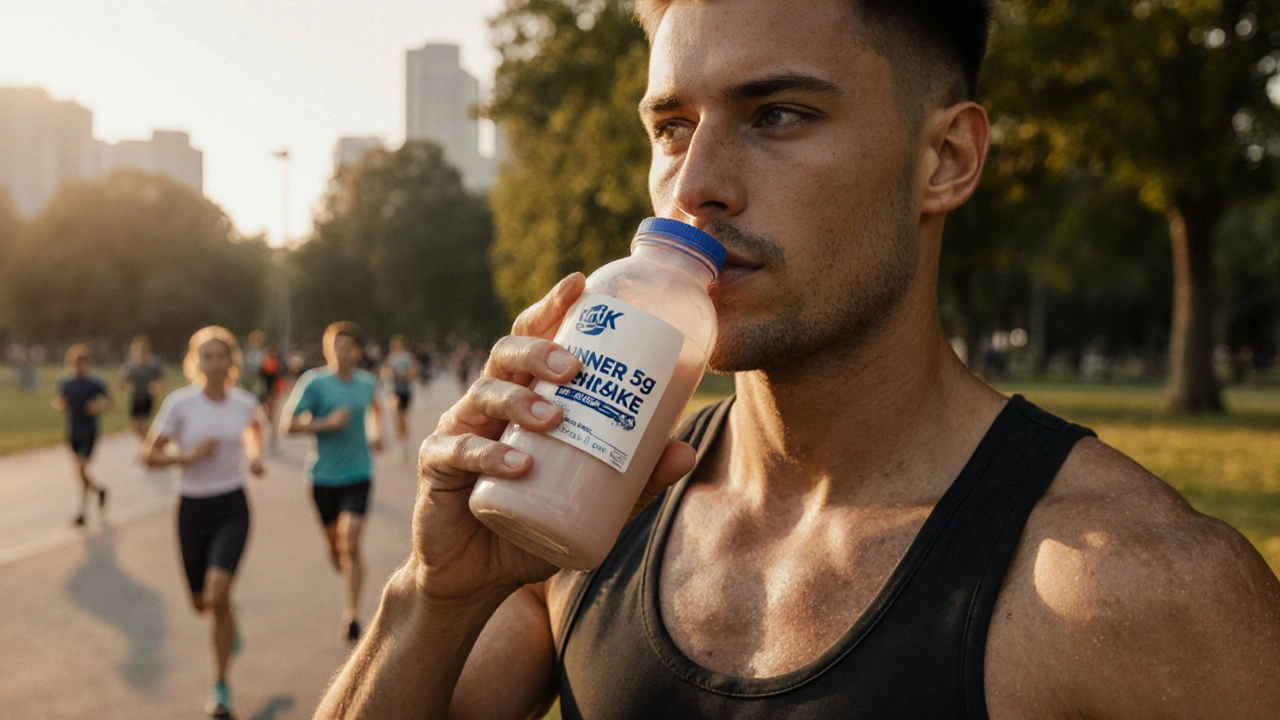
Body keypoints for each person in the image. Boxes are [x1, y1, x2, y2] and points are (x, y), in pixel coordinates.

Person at [316, 1, 1280, 718]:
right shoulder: (587, 516)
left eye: (777, 114)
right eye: (670, 128)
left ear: (945, 159)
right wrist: (435, 596)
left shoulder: (1141, 590)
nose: (693, 188)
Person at [143, 326, 265, 717]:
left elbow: (253, 431)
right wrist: (188, 457)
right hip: (192, 510)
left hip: (232, 506)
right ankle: (230, 621)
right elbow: (149, 457)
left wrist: (255, 455)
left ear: (231, 362)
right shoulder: (180, 405)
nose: (214, 363)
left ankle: (220, 685)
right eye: (206, 357)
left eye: (220, 356)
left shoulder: (244, 402)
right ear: (196, 363)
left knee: (217, 591)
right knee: (203, 604)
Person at [280, 321, 383, 643]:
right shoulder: (314, 384)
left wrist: (376, 433)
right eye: (335, 346)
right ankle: (334, 550)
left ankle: (352, 614)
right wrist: (327, 423)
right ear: (327, 350)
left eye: (347, 347)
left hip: (359, 475)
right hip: (323, 477)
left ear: (357, 351)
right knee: (337, 548)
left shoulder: (366, 383)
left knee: (350, 542)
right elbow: (287, 426)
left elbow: (376, 408)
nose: (341, 353)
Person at [53, 344, 112, 527]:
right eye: (74, 363)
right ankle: (99, 490)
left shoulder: (94, 383)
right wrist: (60, 405)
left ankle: (82, 513)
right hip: (73, 432)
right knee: (81, 472)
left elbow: (111, 400)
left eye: (81, 363)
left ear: (86, 364)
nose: (78, 367)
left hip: (89, 431)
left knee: (80, 468)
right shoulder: (66, 383)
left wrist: (98, 408)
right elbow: (60, 401)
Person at [118, 334, 165, 446]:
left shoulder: (153, 365)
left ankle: (149, 446)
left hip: (147, 397)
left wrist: (156, 386)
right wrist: (127, 388)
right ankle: (149, 444)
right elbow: (121, 382)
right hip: (135, 398)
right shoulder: (130, 366)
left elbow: (161, 379)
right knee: (135, 427)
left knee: (144, 424)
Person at [382, 335, 419, 461]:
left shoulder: (408, 357)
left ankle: (404, 443)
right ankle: (400, 444)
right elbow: (385, 371)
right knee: (397, 415)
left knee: (403, 417)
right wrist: (391, 375)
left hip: (406, 391)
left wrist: (406, 376)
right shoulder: (391, 358)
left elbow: (414, 371)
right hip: (394, 391)